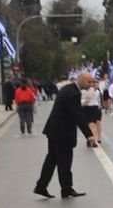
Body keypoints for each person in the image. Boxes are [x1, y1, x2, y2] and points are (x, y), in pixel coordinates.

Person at [35, 71, 99, 199]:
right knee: (64, 160)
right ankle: (66, 189)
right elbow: (78, 115)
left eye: (92, 82)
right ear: (80, 79)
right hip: (61, 133)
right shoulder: (73, 93)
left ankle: (41, 186)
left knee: (52, 160)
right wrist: (89, 134)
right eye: (89, 81)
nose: (91, 84)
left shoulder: (68, 89)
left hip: (54, 131)